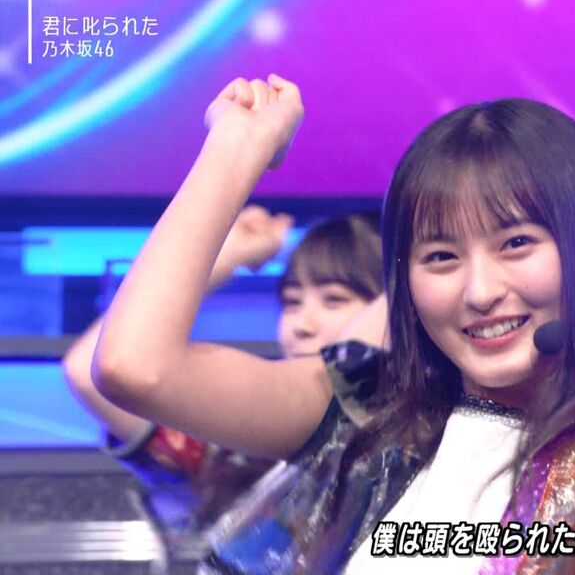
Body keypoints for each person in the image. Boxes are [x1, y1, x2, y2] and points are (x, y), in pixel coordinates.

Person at [92, 75, 575, 574]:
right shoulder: (362, 411)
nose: (479, 291)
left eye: (516, 244)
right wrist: (236, 150)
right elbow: (134, 366)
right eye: (440, 257)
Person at [63, 205, 385, 552]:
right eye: (292, 302)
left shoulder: (419, 434)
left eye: (334, 300)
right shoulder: (239, 448)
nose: (301, 325)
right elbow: (92, 368)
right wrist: (227, 255)